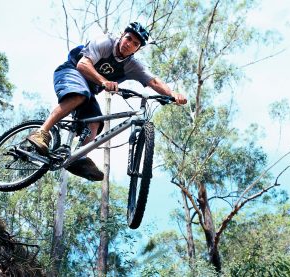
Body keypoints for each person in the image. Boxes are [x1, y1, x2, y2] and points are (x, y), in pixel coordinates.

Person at [27, 22, 187, 181]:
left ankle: (78, 159)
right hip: (71, 71)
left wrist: (173, 94)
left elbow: (154, 81)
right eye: (128, 38)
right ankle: (41, 132)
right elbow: (83, 64)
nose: (129, 44)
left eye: (135, 44)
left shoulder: (132, 65)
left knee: (95, 123)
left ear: (137, 49)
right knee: (79, 94)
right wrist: (103, 81)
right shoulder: (105, 43)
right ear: (122, 35)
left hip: (88, 91)